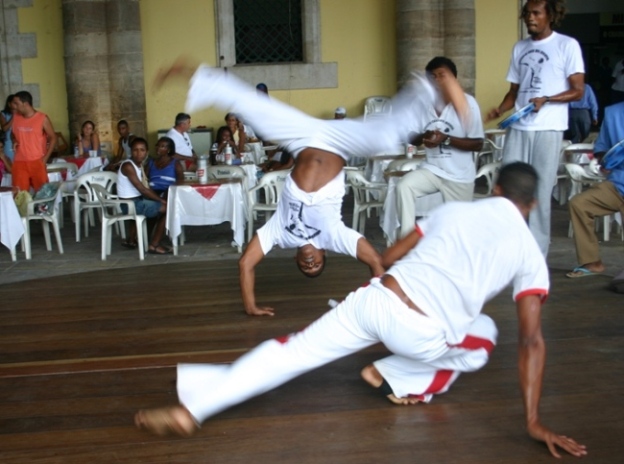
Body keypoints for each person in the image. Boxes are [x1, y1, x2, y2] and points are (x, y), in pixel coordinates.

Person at [134, 162, 587, 459]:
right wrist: (531, 421)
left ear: (496, 188)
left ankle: (194, 410)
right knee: (485, 334)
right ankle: (400, 375)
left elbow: (389, 258)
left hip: (374, 299)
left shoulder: (454, 211)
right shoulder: (529, 252)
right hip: (423, 330)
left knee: (289, 351)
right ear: (529, 205)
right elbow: (532, 340)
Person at [153, 58, 470, 316]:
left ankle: (193, 73)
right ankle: (434, 85)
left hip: (302, 137)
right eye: (316, 264)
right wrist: (385, 303)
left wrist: (250, 306)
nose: (309, 263)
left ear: (294, 260)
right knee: (388, 132)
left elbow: (245, 263)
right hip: (340, 142)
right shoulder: (335, 236)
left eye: (306, 267)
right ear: (323, 254)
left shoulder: (280, 233)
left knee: (252, 107)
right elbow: (376, 262)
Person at [486, 0, 585, 256]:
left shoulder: (567, 45)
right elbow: (514, 91)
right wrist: (501, 109)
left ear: (550, 16)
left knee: (540, 190)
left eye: (536, 13)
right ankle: (508, 248)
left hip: (549, 128)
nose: (530, 17)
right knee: (508, 185)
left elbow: (577, 90)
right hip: (519, 127)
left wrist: (548, 99)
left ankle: (536, 254)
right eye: (527, 13)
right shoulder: (520, 47)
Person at [395, 56, 484, 239]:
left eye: (442, 75)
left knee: (460, 229)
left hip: (459, 175)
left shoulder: (468, 104)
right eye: (432, 77)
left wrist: (446, 139)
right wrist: (424, 136)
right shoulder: (420, 104)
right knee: (404, 186)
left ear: (454, 80)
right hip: (432, 170)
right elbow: (411, 138)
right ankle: (406, 242)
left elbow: (478, 143)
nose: (437, 81)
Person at [566, 101, 624, 278]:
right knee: (579, 204)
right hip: (618, 184)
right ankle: (592, 262)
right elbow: (602, 147)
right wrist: (603, 161)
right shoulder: (613, 112)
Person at [118, 137, 170, 254]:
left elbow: (146, 188)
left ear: (147, 152)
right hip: (130, 205)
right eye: (135, 150)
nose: (139, 153)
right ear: (131, 151)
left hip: (134, 202)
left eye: (142, 150)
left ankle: (132, 240)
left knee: (154, 205)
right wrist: (161, 200)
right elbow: (143, 189)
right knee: (167, 209)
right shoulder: (128, 166)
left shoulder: (138, 165)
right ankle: (154, 244)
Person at [10, 90, 57, 192]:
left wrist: (45, 159)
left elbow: (53, 137)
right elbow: (12, 134)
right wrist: (14, 140)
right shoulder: (15, 118)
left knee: (42, 193)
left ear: (25, 104)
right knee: (19, 195)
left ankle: (41, 208)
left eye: (16, 103)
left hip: (37, 161)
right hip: (19, 162)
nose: (13, 106)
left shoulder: (42, 118)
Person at [0, 94, 16, 161]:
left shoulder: (22, 113)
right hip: (8, 142)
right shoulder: (3, 114)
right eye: (14, 103)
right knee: (10, 163)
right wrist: (14, 116)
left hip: (19, 142)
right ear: (9, 104)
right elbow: (4, 128)